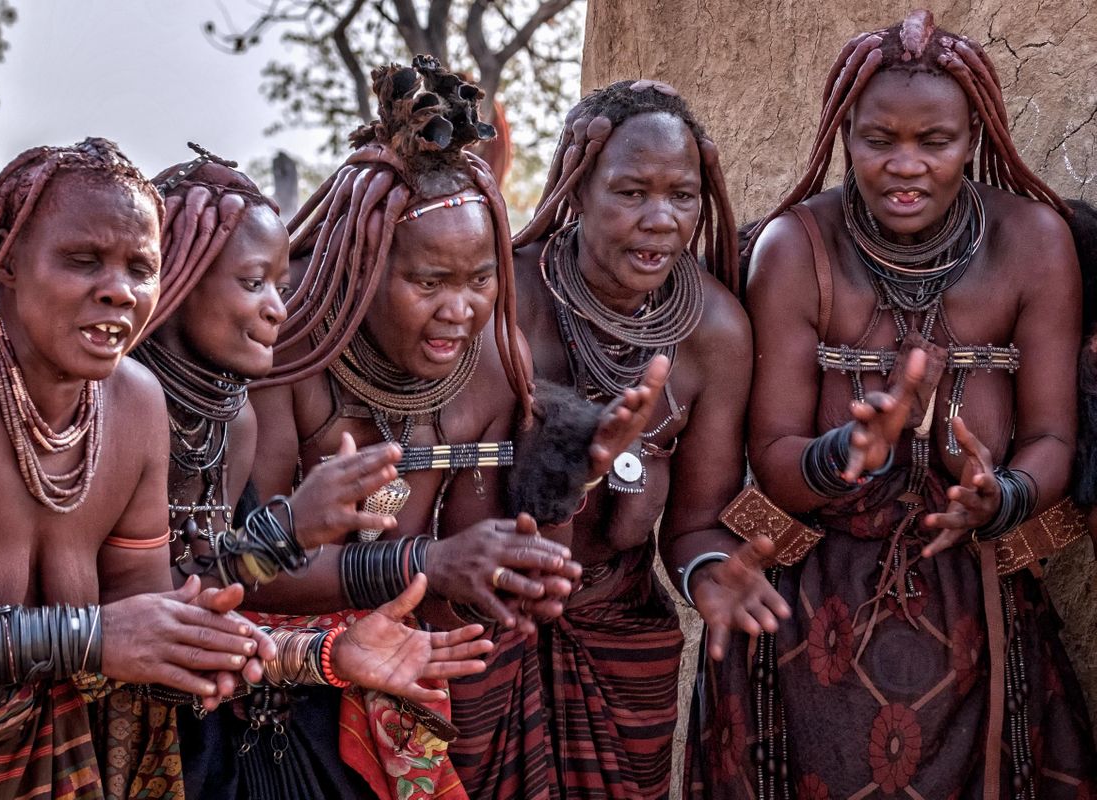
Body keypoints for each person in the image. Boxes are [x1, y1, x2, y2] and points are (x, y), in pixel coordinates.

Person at [690, 12, 1096, 797]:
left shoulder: (1034, 243)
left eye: (934, 142)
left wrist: (1003, 496)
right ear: (845, 136)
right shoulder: (794, 248)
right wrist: (846, 451)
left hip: (978, 600)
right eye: (879, 140)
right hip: (811, 617)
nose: (904, 166)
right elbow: (773, 456)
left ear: (973, 136)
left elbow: (1051, 434)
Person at [247, 56, 660, 800]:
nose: (460, 310)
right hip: (292, 693)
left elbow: (500, 564)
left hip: (451, 680)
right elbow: (247, 575)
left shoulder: (497, 360)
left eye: (480, 279)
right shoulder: (293, 367)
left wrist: (570, 475)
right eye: (428, 282)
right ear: (364, 267)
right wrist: (424, 563)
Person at [0, 138, 273, 798]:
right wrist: (88, 637)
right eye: (84, 261)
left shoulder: (134, 402)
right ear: (8, 262)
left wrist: (264, 651)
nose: (119, 292)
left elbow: (138, 604)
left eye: (141, 268)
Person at [447, 79, 789, 800]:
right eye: (631, 192)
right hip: (485, 613)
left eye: (683, 196)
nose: (662, 219)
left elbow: (695, 521)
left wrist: (706, 575)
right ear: (576, 191)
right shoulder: (508, 304)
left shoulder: (715, 332)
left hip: (621, 632)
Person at [120, 145, 495, 798]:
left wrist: (574, 476)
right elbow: (152, 613)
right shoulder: (122, 408)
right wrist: (293, 535)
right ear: (175, 277)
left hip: (264, 677)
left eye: (280, 287)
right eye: (253, 283)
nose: (277, 310)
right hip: (115, 711)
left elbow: (212, 586)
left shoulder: (228, 416)